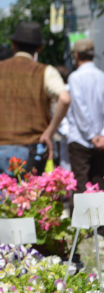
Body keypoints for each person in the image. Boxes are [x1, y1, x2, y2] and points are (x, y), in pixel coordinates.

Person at [0, 21, 71, 175]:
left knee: (2, 196)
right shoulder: (46, 71)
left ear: (13, 45)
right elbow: (65, 99)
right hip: (33, 148)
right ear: (39, 48)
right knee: (31, 197)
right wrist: (49, 131)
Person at [66, 39, 104, 192]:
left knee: (81, 187)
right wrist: (101, 134)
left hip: (80, 138)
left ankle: (82, 217)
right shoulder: (102, 75)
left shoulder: (75, 77)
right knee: (100, 185)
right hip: (101, 140)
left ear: (76, 56)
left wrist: (90, 135)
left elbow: (80, 109)